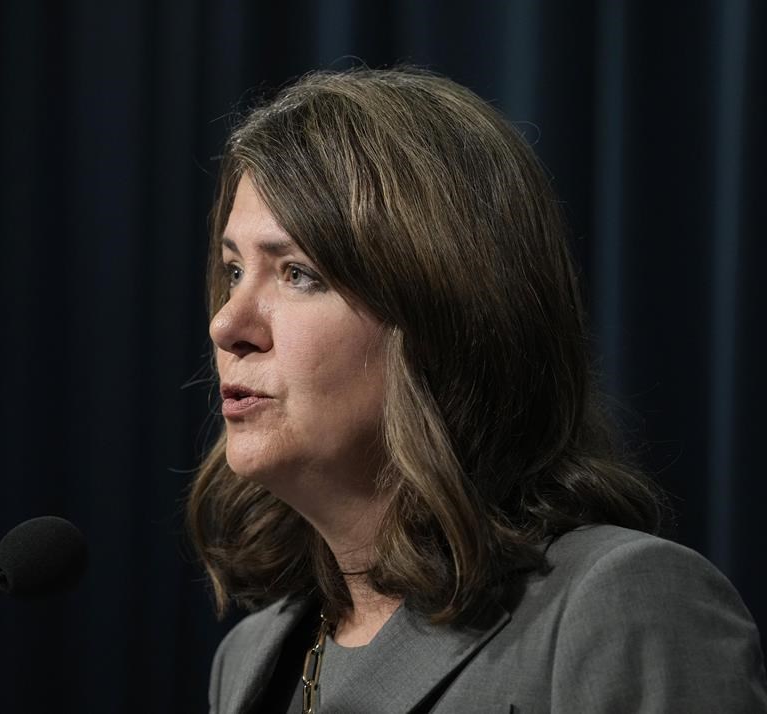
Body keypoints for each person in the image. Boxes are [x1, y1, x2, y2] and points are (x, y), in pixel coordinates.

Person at [187, 67, 767, 713]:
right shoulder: (249, 662)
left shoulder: (620, 606)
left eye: (298, 273)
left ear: (442, 314)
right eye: (233, 269)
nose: (227, 324)